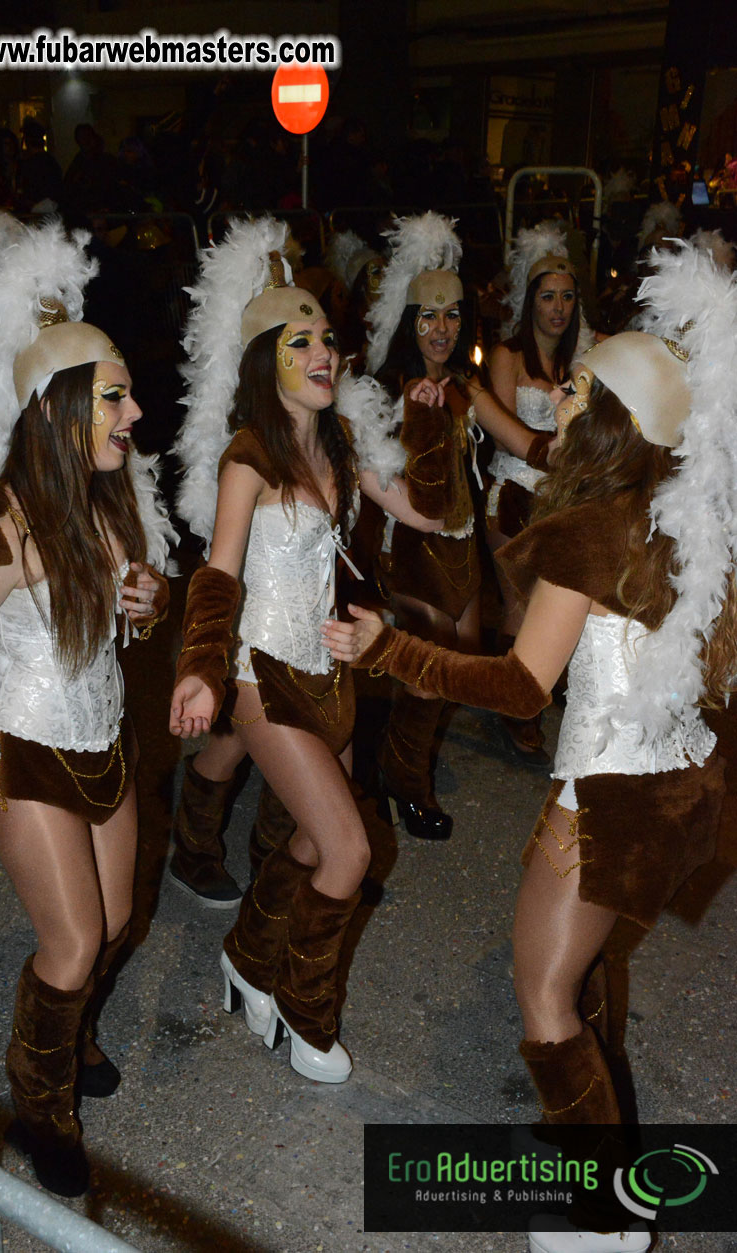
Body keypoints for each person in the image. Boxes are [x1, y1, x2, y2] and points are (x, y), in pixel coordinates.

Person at [324, 241, 737, 1252]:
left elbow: (517, 683)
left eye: (581, 391)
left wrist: (394, 649)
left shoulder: (588, 531)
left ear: (609, 423)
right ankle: (610, 1168)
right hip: (679, 787)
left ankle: (600, 1213)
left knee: (544, 991)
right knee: (585, 970)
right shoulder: (692, 520)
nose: (561, 398)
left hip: (599, 791)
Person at [0, 211, 175, 1197]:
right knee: (70, 939)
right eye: (116, 398)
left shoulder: (104, 496)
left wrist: (144, 603)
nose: (136, 413)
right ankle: (38, 1099)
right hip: (18, 747)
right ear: (63, 408)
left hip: (102, 735)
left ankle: (69, 1031)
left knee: (115, 920)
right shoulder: (0, 527)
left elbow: (115, 616)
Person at [169, 217, 443, 1083]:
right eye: (301, 341)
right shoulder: (246, 459)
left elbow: (429, 513)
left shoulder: (338, 446)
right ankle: (302, 1006)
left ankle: (245, 956)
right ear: (265, 361)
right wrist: (198, 668)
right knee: (353, 850)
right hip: (263, 677)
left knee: (315, 844)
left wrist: (436, 425)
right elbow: (217, 576)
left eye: (328, 337)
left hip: (332, 675)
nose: (324, 352)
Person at [362, 213, 546, 838]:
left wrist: (593, 446)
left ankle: (384, 756)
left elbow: (523, 441)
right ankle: (405, 783)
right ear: (409, 323)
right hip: (408, 543)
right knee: (424, 666)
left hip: (462, 548)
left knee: (446, 672)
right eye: (427, 317)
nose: (441, 330)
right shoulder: (384, 391)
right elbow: (377, 479)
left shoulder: (465, 388)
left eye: (451, 317)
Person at [487, 221, 596, 766]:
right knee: (521, 599)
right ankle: (517, 707)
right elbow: (501, 425)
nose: (558, 307)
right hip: (511, 489)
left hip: (564, 498)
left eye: (567, 297)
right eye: (548, 296)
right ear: (530, 302)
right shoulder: (507, 355)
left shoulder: (583, 364)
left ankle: (529, 684)